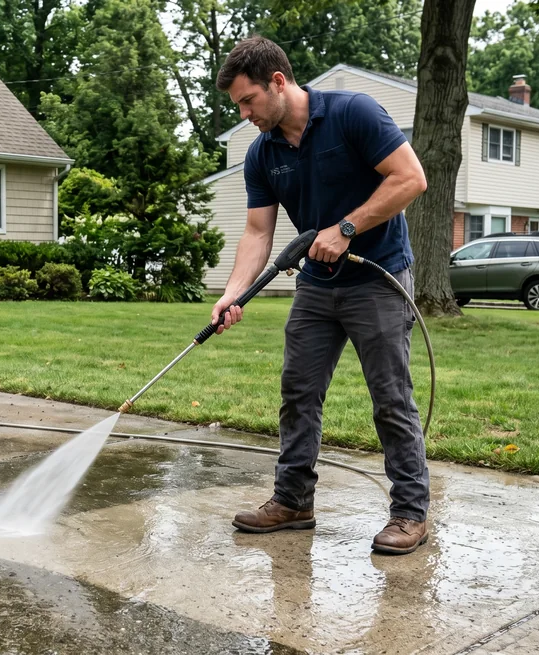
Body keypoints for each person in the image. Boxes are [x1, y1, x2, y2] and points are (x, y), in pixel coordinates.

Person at [212, 36, 431, 555]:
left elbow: (411, 178)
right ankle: (292, 502)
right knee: (298, 392)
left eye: (248, 101)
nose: (245, 115)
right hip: (315, 285)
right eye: (238, 105)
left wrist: (346, 228)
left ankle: (410, 512)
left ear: (278, 82)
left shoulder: (353, 113)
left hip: (379, 279)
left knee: (390, 398)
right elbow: (257, 232)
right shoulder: (262, 153)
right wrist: (232, 294)